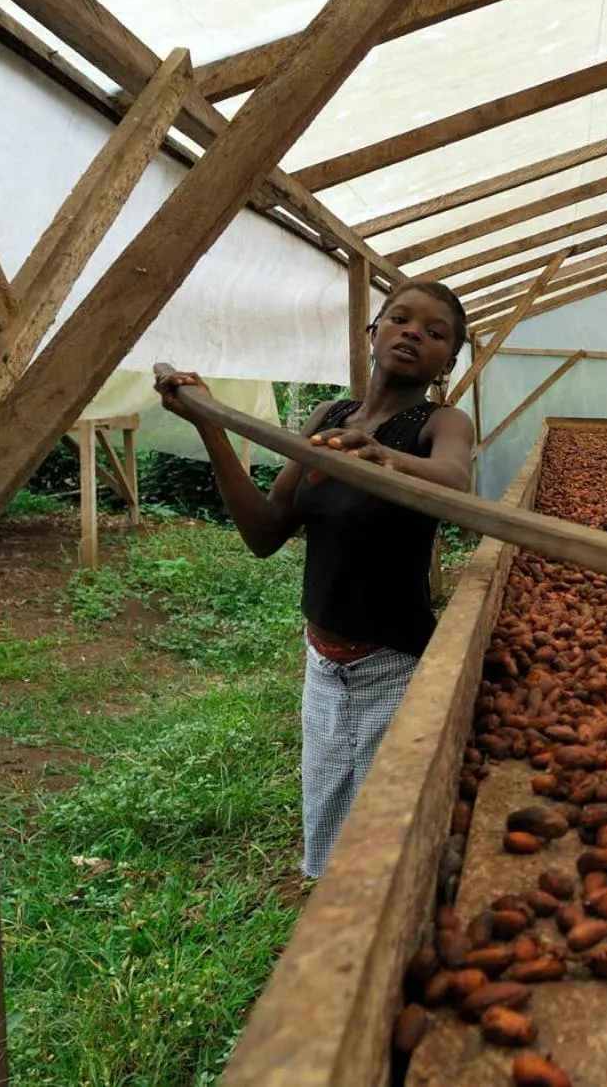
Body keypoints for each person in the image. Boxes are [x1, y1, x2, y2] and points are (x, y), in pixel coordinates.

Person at [156, 280, 476, 879]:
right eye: (401, 319)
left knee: (385, 841)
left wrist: (384, 459)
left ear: (448, 361)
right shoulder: (330, 418)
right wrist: (210, 427)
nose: (414, 333)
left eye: (435, 333)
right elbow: (265, 530)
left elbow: (456, 483)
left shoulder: (441, 423)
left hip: (394, 662)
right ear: (372, 331)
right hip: (324, 663)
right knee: (328, 827)